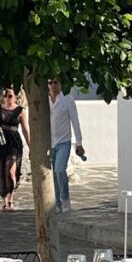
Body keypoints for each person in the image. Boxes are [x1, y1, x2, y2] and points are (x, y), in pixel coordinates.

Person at [0, 87, 30, 211]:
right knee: (1, 172)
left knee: (11, 171)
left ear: (15, 96)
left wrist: (30, 146)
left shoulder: (21, 110)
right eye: (5, 95)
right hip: (0, 143)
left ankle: (11, 199)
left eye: (10, 95)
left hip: (14, 143)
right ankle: (5, 201)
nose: (7, 98)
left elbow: (26, 130)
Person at [48, 79, 84, 213]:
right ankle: (56, 203)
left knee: (59, 169)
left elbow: (75, 122)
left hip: (64, 142)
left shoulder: (67, 100)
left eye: (56, 82)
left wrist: (79, 143)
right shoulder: (45, 102)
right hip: (50, 143)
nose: (53, 86)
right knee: (53, 174)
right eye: (50, 83)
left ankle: (65, 199)